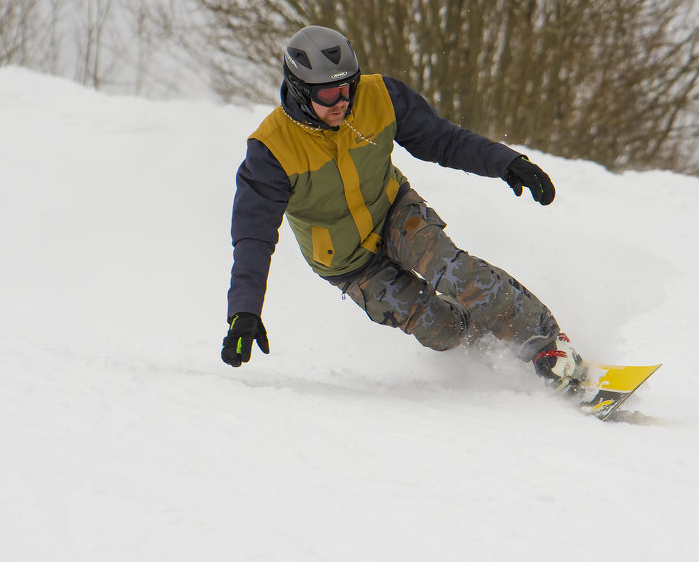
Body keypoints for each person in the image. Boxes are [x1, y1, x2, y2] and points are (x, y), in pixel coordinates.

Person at [221, 25, 585, 395]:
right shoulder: (271, 150)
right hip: (347, 261)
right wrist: (244, 311)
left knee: (453, 272)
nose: (342, 101)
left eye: (348, 87)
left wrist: (506, 162)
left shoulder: (380, 96)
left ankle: (551, 346)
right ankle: (497, 347)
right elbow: (254, 236)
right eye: (329, 93)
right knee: (439, 330)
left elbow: (442, 140)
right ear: (300, 89)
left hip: (396, 213)